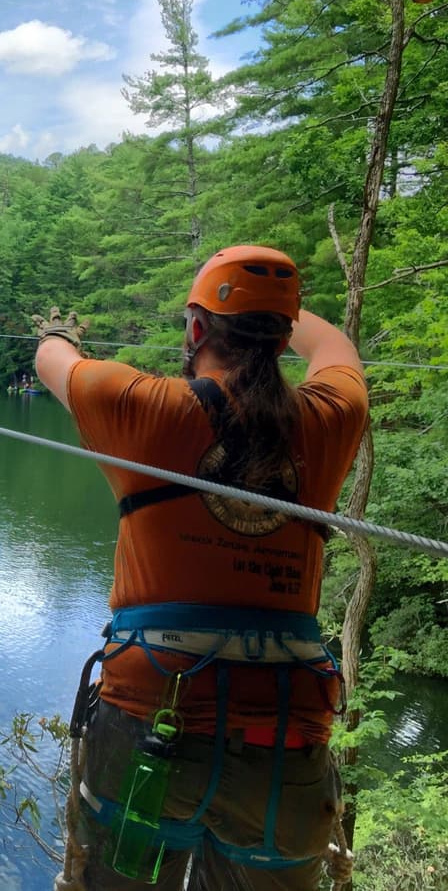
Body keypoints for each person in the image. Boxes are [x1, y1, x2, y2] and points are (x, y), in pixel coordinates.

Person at [33, 246, 369, 890]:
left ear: (194, 329)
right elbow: (339, 353)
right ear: (281, 334)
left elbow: (55, 360)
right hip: (283, 742)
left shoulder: (141, 406)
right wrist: (280, 311)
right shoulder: (330, 419)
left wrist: (59, 332)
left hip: (150, 721)